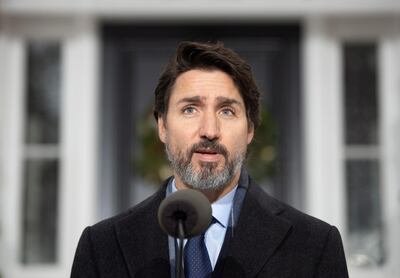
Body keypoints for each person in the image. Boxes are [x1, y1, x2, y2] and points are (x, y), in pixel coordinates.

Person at [71, 41, 349, 278]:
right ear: (162, 126)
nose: (210, 131)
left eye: (227, 111)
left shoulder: (316, 246)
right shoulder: (101, 246)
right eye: (190, 109)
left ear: (250, 129)